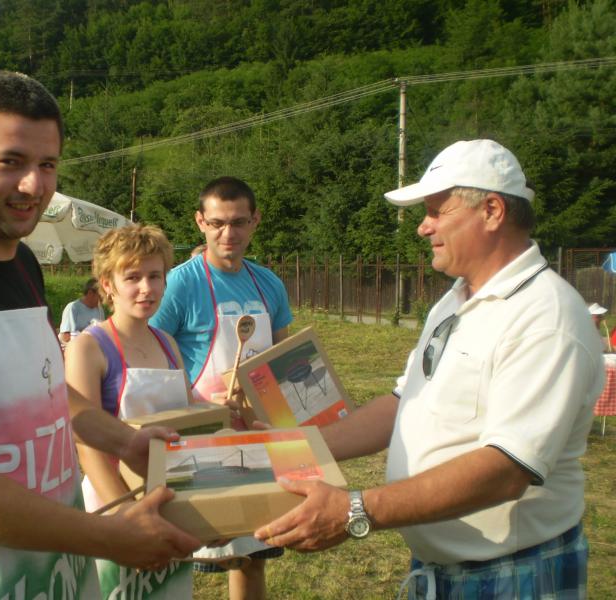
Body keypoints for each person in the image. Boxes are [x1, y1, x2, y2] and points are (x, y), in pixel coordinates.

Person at [0, 70, 199, 600]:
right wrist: (106, 536)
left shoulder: (21, 264)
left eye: (47, 164)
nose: (34, 186)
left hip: (43, 563)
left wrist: (125, 440)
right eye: (10, 162)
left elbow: (43, 390)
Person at [254, 139, 605, 599]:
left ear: (492, 211)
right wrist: (297, 447)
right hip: (446, 572)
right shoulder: (455, 299)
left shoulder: (546, 316)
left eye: (437, 211)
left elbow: (506, 469)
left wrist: (356, 509)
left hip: (513, 576)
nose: (423, 227)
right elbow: (402, 404)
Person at [150, 176, 292, 600]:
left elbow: (281, 359)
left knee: (252, 554)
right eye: (216, 223)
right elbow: (150, 354)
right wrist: (199, 402)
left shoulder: (269, 284)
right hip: (200, 436)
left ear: (255, 221)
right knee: (181, 554)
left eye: (238, 222)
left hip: (257, 432)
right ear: (200, 222)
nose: (228, 233)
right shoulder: (179, 283)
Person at [66, 223, 195, 598]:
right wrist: (123, 518)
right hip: (111, 502)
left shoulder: (167, 342)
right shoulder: (88, 347)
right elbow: (86, 444)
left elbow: (187, 417)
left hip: (169, 498)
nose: (146, 288)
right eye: (133, 277)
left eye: (155, 276)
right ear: (108, 284)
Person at [58, 277, 105, 344]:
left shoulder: (100, 310)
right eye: (100, 297)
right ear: (90, 293)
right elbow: (64, 337)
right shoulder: (73, 308)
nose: (103, 300)